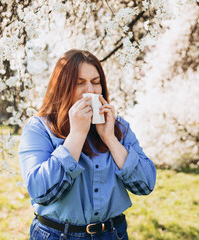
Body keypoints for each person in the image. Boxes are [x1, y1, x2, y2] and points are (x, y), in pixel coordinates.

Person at [18, 49, 156, 240]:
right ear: (63, 87)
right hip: (58, 235)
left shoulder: (118, 126)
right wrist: (77, 135)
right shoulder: (39, 128)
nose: (90, 90)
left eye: (96, 82)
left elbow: (146, 184)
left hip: (113, 234)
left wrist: (110, 138)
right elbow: (41, 192)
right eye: (79, 83)